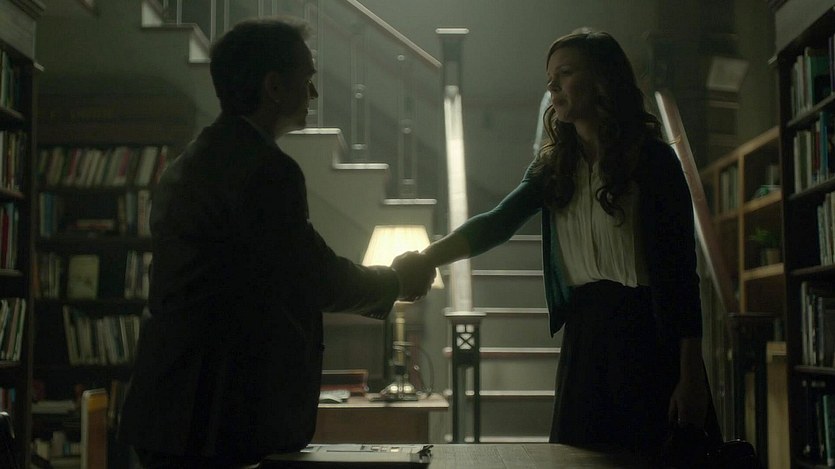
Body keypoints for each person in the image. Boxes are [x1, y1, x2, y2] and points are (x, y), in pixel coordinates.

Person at [117, 17, 434, 469]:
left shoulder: (190, 162)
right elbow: (313, 276)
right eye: (307, 79)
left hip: (168, 408)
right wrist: (396, 281)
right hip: (214, 417)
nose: (314, 94)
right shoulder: (265, 170)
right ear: (274, 87)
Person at [400, 30, 721, 462]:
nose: (552, 86)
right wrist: (427, 257)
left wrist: (691, 373)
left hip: (648, 336)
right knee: (576, 460)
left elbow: (683, 274)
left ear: (603, 79)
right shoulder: (554, 166)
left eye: (565, 73)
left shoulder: (654, 161)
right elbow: (498, 223)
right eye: (550, 77)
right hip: (586, 337)